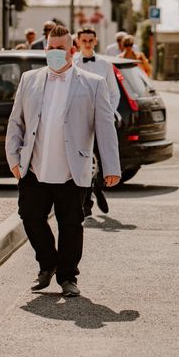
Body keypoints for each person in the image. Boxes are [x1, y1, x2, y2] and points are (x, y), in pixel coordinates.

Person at [5, 25, 121, 297]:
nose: (55, 53)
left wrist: (112, 168)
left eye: (60, 48)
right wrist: (13, 158)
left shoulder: (93, 83)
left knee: (70, 224)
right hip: (34, 166)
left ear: (72, 50)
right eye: (51, 48)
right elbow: (16, 121)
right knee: (30, 217)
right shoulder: (29, 79)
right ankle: (48, 265)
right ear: (45, 50)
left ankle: (68, 277)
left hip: (72, 168)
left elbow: (105, 127)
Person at [73, 26, 121, 217]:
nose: (87, 43)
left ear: (95, 41)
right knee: (83, 160)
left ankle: (96, 186)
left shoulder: (105, 65)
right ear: (77, 41)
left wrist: (107, 114)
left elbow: (114, 93)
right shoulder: (72, 62)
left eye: (90, 40)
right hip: (78, 120)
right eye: (83, 40)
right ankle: (86, 201)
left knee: (100, 158)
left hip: (100, 119)